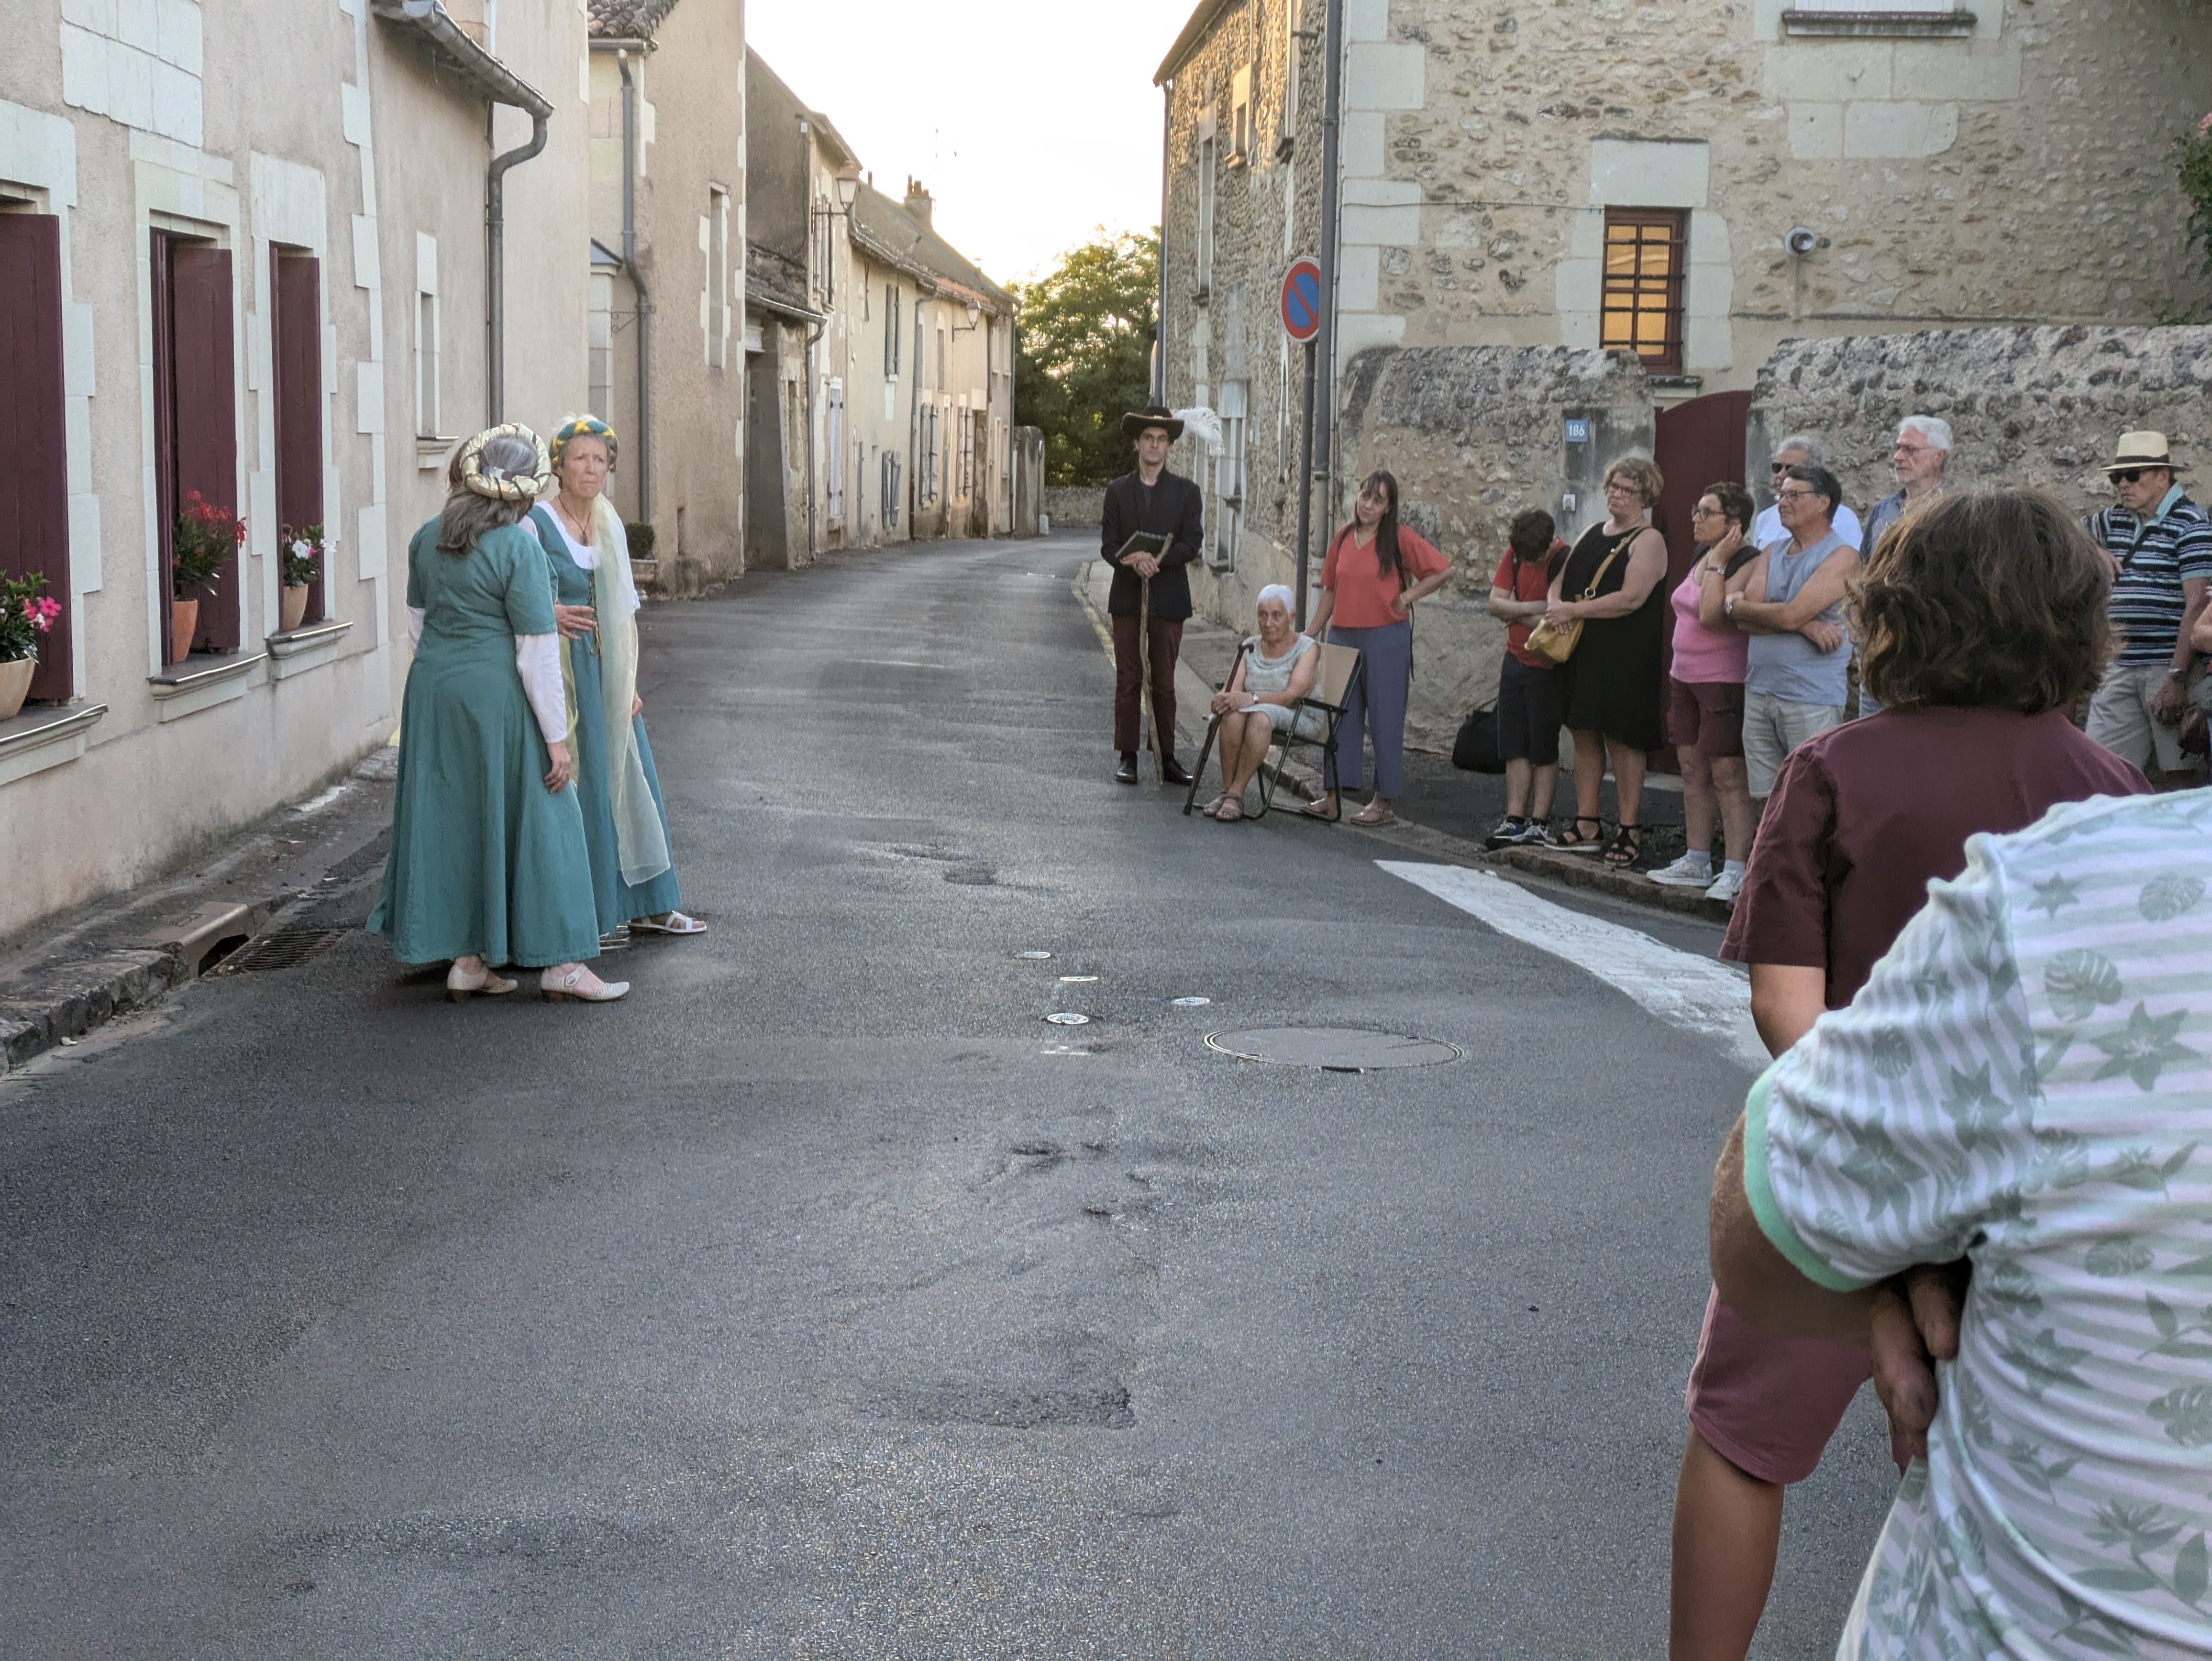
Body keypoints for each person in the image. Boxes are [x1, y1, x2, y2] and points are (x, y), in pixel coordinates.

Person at [1669, 489, 2151, 1661]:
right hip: (2043, 1194)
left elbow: (1787, 1005)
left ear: (1898, 615)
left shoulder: (1836, 768)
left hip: (1849, 1161)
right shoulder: (2117, 792)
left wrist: (1884, 1159)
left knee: (1740, 1440)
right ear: (2074, 628)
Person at [1707, 784, 2211, 1660]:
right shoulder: (2106, 777)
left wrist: (1912, 1224)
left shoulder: (2069, 873)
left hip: (1859, 1196)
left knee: (1739, 1438)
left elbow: (1781, 1031)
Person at [367, 426, 626, 1004]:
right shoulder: (518, 545)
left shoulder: (426, 536)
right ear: (520, 490)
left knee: (458, 816)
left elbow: (416, 625)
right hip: (494, 689)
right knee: (547, 812)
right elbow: (536, 653)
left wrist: (453, 658)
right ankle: (562, 964)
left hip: (432, 689)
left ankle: (466, 959)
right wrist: (557, 742)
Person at [527, 415, 703, 945]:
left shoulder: (608, 522)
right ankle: (592, 911)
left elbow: (623, 610)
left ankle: (649, 903)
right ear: (558, 466)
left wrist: (629, 680)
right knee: (582, 783)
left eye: (600, 460)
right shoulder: (536, 523)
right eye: (579, 458)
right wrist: (549, 611)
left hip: (608, 665)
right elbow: (518, 592)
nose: (590, 468)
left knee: (632, 777)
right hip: (560, 667)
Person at [1301, 469, 1451, 827]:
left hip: (1386, 638)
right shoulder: (1342, 537)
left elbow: (1443, 571)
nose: (1368, 505)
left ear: (1388, 507)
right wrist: (1309, 635)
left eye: (1377, 500)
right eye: (1365, 496)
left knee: (1385, 720)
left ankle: (1383, 802)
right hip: (1342, 636)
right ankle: (1334, 794)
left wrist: (1407, 597)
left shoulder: (1399, 538)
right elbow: (1330, 592)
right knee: (1338, 719)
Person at [1543, 457, 1669, 867]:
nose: (1616, 493)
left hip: (1624, 652)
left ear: (1645, 494)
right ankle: (1587, 821)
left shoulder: (1648, 540)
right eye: (1613, 486)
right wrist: (1555, 606)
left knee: (1622, 739)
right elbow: (1560, 578)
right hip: (1583, 649)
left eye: (1627, 489)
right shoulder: (1593, 532)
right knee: (1583, 733)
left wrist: (1573, 612)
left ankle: (1629, 827)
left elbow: (1631, 598)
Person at [1648, 482, 1759, 904]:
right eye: (1697, 509)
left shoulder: (1746, 560)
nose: (1695, 518)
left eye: (1706, 512)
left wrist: (1721, 562)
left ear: (1734, 524)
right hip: (1685, 676)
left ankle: (1735, 867)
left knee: (1728, 776)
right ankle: (1697, 859)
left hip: (1721, 679)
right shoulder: (1701, 554)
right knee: (1692, 770)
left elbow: (1713, 615)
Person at [2083, 430, 2212, 786]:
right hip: (2120, 663)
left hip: (2164, 665)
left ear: (2163, 476)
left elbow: (2197, 605)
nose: (2123, 484)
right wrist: (2094, 551)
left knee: (2179, 778)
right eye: (2116, 477)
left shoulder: (2191, 525)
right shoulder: (2114, 519)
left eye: (2133, 475)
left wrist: (2176, 678)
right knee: (2099, 773)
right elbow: (2058, 531)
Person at [1728, 464, 1857, 808]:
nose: (1783, 502)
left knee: (1810, 801)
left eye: (1794, 495)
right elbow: (1745, 620)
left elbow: (1754, 610)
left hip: (1810, 697)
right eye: (1781, 494)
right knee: (1765, 802)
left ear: (1823, 503)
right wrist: (1805, 625)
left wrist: (1752, 609)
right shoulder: (1772, 551)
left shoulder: (1843, 556)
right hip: (1759, 690)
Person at [1100, 405, 1206, 786]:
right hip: (1128, 598)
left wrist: (1157, 560)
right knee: (1129, 677)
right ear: (1137, 443)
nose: (1154, 446)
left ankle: (1167, 755)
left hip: (1169, 597)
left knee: (1165, 680)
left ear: (1169, 447)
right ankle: (1128, 756)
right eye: (1148, 438)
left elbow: (1192, 542)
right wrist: (1133, 561)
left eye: (1161, 440)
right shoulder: (1118, 492)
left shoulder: (1186, 493)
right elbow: (1108, 545)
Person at [1483, 509, 1569, 847]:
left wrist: (1516, 610)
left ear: (1547, 547)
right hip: (1515, 660)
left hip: (1547, 666)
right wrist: (1534, 608)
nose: (1525, 561)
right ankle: (1515, 818)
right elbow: (1494, 603)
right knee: (1515, 744)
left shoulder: (1564, 559)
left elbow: (1557, 623)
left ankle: (1540, 822)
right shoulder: (1515, 553)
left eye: (1532, 557)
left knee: (1543, 746)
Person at [1202, 583, 1320, 822]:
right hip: (1258, 714)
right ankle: (1227, 791)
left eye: (1276, 616)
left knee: (1260, 716)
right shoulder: (1250, 646)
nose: (1268, 623)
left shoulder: (1308, 649)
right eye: (1263, 615)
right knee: (1233, 713)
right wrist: (1222, 699)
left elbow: (1292, 696)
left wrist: (1253, 698)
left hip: (1299, 716)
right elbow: (1233, 688)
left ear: (1292, 618)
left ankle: (1237, 793)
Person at [1748, 434, 1863, 553]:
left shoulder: (1845, 519)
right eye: (1777, 467)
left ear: (1813, 473)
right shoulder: (1765, 519)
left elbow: (1852, 565)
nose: (1781, 475)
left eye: (1790, 469)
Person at [1858, 414, 1953, 554]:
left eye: (1910, 449)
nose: (1898, 457)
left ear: (1938, 457)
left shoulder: (1954, 511)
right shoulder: (1883, 509)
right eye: (1898, 448)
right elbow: (1865, 566)